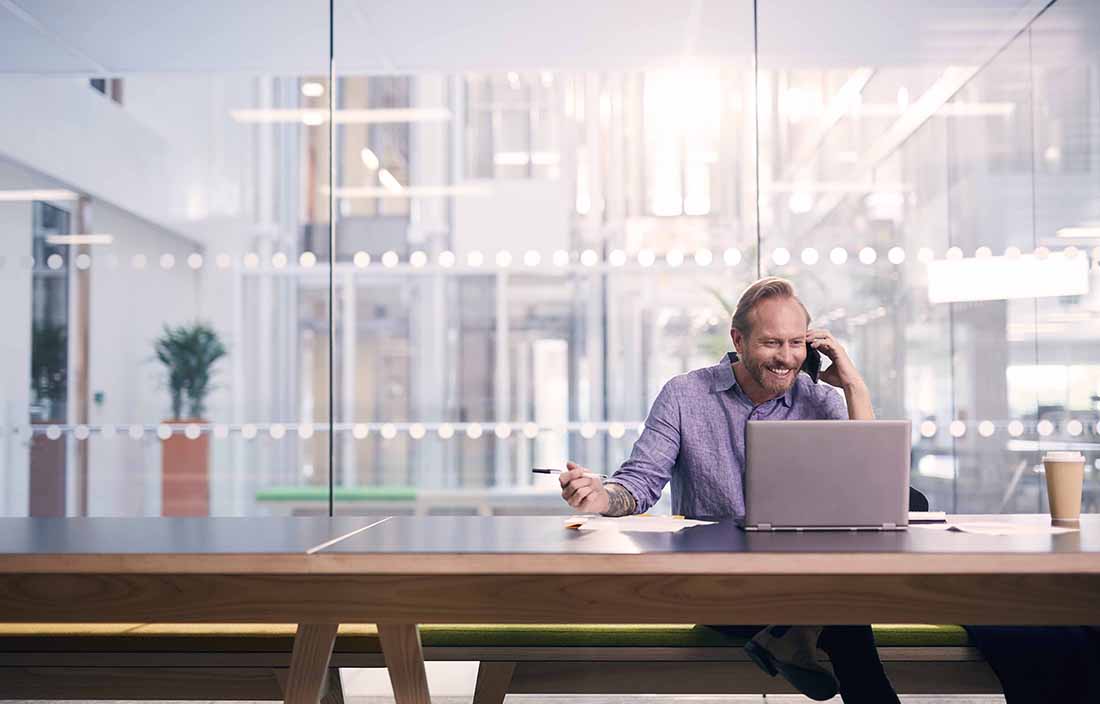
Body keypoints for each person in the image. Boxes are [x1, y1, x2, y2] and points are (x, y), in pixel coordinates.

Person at [559, 276, 899, 704]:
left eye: (797, 343)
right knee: (848, 621)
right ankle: (790, 637)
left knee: (850, 604)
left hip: (800, 577)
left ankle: (792, 634)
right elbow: (640, 484)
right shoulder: (686, 395)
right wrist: (600, 496)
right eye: (772, 342)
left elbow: (871, 486)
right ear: (738, 339)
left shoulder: (819, 398)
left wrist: (853, 385)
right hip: (717, 582)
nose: (786, 357)